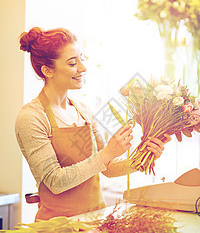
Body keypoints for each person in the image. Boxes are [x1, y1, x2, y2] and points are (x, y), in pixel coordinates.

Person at [15, 27, 171, 221]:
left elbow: (107, 167)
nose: (83, 68)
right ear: (48, 70)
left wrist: (142, 159)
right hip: (58, 228)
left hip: (96, 220)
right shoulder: (32, 117)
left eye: (82, 58)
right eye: (72, 63)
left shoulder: (82, 110)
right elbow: (54, 181)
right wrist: (107, 153)